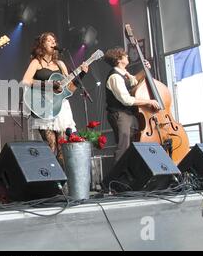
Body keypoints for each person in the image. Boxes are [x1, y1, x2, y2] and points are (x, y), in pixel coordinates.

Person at [22, 32, 88, 168]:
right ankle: (50, 180)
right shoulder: (36, 62)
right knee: (50, 147)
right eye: (49, 40)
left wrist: (81, 74)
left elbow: (69, 89)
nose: (53, 42)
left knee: (63, 148)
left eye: (54, 40)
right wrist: (48, 85)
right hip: (43, 106)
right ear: (42, 45)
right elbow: (26, 81)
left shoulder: (60, 64)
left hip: (60, 107)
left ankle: (63, 185)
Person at [103, 47, 160, 163]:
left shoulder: (123, 74)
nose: (127, 56)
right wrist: (149, 101)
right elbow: (126, 100)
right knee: (123, 147)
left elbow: (134, 80)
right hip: (119, 114)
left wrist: (145, 70)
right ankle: (116, 177)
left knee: (132, 144)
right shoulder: (115, 77)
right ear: (119, 60)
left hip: (127, 114)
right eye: (124, 55)